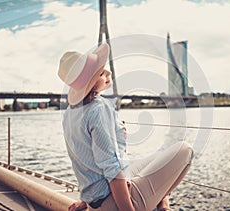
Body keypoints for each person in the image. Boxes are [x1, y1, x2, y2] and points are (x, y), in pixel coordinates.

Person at [58, 43, 194, 211]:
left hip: (97, 202)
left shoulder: (70, 113)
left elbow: (83, 160)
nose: (108, 72)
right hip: (115, 204)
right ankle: (162, 206)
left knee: (159, 158)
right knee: (185, 150)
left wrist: (86, 201)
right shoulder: (98, 109)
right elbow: (112, 168)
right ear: (90, 85)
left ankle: (162, 204)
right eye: (100, 73)